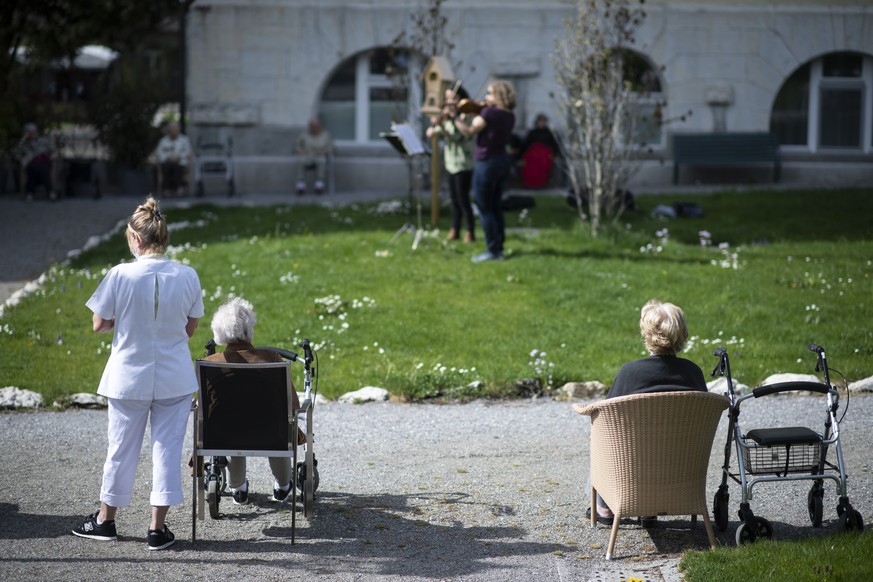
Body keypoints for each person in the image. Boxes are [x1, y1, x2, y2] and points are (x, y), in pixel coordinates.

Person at [72, 196, 204, 551]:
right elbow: (189, 328)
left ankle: (106, 520)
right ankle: (156, 528)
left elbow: (98, 323)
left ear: (135, 239)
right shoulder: (187, 274)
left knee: (120, 449)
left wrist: (124, 321)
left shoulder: (119, 274)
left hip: (128, 373)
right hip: (173, 374)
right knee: (166, 449)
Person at [590, 298, 708, 526]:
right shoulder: (693, 373)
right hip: (679, 472)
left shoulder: (631, 373)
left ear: (647, 334)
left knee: (600, 436)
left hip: (634, 472)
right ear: (682, 335)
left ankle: (605, 509)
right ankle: (650, 510)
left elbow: (605, 417)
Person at [202, 296, 304, 504]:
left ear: (218, 332)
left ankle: (238, 488)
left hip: (224, 437)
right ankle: (284, 486)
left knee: (231, 424)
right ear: (249, 330)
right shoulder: (271, 359)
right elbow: (292, 404)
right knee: (278, 423)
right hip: (270, 435)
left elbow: (202, 405)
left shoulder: (209, 364)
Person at [455, 80, 516, 262]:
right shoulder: (509, 115)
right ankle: (499, 247)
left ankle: (492, 250)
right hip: (502, 161)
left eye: (489, 93)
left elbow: (469, 131)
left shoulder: (489, 112)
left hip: (486, 162)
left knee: (484, 207)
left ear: (498, 95)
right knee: (495, 205)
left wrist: (454, 118)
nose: (485, 97)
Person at [426, 87, 475, 243]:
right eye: (447, 98)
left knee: (463, 200)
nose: (450, 102)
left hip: (464, 164)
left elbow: (459, 137)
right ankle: (455, 229)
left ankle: (470, 232)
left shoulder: (467, 116)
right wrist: (435, 124)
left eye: (453, 98)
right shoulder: (446, 118)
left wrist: (454, 118)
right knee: (454, 199)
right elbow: (431, 133)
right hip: (450, 163)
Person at [15, 123, 58, 201]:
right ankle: (50, 192)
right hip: (31, 161)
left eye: (34, 131)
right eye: (30, 131)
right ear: (26, 132)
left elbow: (54, 151)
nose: (33, 133)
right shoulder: (24, 143)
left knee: (42, 168)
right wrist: (23, 139)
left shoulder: (44, 140)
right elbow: (17, 152)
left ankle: (31, 193)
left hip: (44, 160)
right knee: (32, 167)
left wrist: (54, 155)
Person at [519, 113, 560, 189]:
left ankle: (541, 184)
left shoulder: (550, 133)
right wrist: (522, 156)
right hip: (532, 155)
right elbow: (526, 144)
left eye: (543, 121)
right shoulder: (532, 132)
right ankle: (529, 184)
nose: (541, 123)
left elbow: (554, 144)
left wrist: (555, 154)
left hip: (545, 155)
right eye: (540, 121)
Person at [295, 117, 333, 195]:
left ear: (319, 126)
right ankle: (301, 185)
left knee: (322, 160)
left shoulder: (325, 135)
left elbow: (331, 147)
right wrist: (299, 150)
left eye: (316, 126)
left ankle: (319, 185)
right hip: (307, 154)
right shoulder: (304, 135)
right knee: (301, 160)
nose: (314, 128)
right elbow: (297, 145)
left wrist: (325, 151)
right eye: (312, 126)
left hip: (319, 155)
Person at [155, 122, 192, 197]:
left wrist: (179, 157)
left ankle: (179, 188)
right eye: (172, 129)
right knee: (166, 166)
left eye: (176, 129)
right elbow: (159, 152)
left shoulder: (184, 140)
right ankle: (166, 190)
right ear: (169, 130)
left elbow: (188, 151)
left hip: (180, 162)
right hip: (167, 162)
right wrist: (168, 157)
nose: (174, 131)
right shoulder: (163, 141)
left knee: (176, 166)